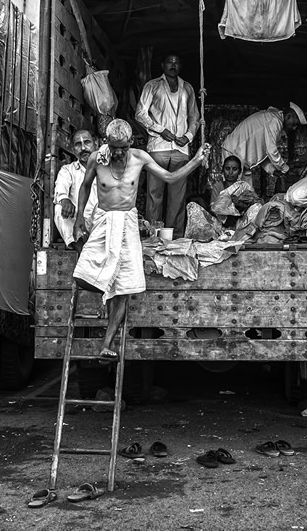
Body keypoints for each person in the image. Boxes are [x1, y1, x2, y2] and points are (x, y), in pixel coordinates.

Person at [73, 119, 209, 360]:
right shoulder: (97, 158)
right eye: (113, 147)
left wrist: (197, 159)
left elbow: (170, 177)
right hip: (103, 221)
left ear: (130, 143)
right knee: (82, 276)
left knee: (124, 289)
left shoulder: (140, 157)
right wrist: (78, 219)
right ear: (107, 143)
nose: (118, 152)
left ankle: (107, 343)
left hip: (127, 224)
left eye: (122, 148)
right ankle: (105, 293)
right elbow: (85, 186)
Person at [134, 52, 200, 236]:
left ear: (181, 66)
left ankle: (175, 236)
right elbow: (140, 113)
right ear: (162, 65)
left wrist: (188, 135)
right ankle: (152, 235)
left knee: (178, 196)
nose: (173, 65)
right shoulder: (152, 85)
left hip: (181, 148)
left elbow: (195, 116)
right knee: (155, 195)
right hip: (158, 147)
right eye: (169, 62)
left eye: (177, 62)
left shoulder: (187, 88)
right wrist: (160, 129)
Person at [220, 103, 307, 195]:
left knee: (249, 194)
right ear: (289, 116)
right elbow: (271, 151)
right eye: (294, 124)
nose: (294, 128)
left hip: (242, 159)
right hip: (234, 153)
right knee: (233, 193)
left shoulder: (271, 119)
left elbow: (263, 155)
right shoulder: (274, 121)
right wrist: (285, 168)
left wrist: (274, 171)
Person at [53, 129, 99, 248]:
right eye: (78, 144)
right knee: (59, 209)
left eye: (87, 142)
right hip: (77, 222)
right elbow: (60, 190)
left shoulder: (104, 168)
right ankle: (80, 250)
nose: (83, 148)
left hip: (99, 222)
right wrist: (65, 200)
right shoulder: (67, 170)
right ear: (73, 150)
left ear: (96, 144)